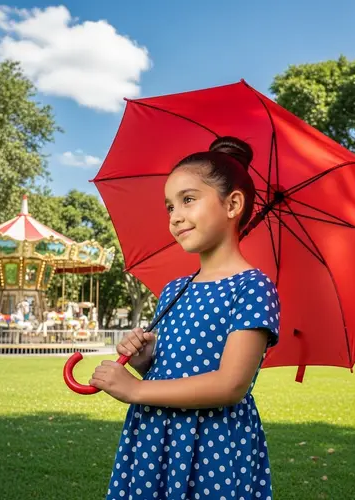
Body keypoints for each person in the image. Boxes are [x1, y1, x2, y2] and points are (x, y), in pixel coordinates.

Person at [90, 136, 281, 500]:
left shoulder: (253, 288)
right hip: (154, 435)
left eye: (188, 200)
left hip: (213, 445)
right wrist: (147, 362)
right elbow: (174, 369)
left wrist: (137, 390)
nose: (175, 216)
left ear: (233, 204)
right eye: (169, 207)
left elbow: (230, 385)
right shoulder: (176, 287)